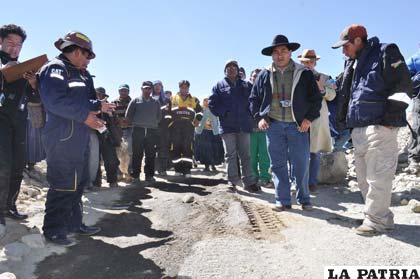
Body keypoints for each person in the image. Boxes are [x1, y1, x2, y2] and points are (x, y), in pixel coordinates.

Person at [332, 24, 412, 235]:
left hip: (380, 126)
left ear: (358, 40)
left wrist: (389, 119)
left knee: (378, 178)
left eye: (345, 45)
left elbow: (404, 88)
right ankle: (380, 217)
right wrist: (345, 122)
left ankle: (375, 220)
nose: (343, 51)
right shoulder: (353, 63)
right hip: (358, 128)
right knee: (363, 179)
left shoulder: (386, 52)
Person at [39, 31, 114, 246]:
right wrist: (85, 117)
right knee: (63, 183)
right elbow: (55, 102)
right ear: (78, 51)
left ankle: (73, 223)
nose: (89, 61)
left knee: (78, 183)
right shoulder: (55, 69)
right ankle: (53, 230)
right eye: (88, 56)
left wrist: (98, 108)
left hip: (79, 136)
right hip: (61, 137)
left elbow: (85, 101)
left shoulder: (81, 73)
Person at [250, 35, 322, 210]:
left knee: (301, 163)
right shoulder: (264, 75)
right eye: (275, 52)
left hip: (298, 126)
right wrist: (260, 117)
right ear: (272, 55)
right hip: (273, 125)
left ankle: (304, 199)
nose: (279, 55)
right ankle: (282, 200)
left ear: (290, 52)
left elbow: (315, 99)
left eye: (283, 51)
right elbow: (254, 99)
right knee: (277, 164)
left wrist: (308, 119)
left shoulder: (303, 73)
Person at [0, 24, 39, 236]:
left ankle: (10, 206)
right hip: (1, 120)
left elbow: (34, 99)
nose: (15, 49)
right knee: (2, 165)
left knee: (17, 165)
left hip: (20, 120)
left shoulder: (24, 67)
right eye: (10, 43)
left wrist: (33, 82)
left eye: (19, 45)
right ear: (1, 41)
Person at [209, 60, 259, 192]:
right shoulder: (218, 86)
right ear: (225, 71)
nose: (231, 69)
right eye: (228, 67)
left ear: (238, 70)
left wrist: (250, 115)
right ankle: (232, 181)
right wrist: (224, 113)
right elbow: (212, 104)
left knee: (246, 155)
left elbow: (253, 101)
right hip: (227, 127)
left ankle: (249, 182)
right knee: (230, 155)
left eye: (234, 67)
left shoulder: (246, 85)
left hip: (244, 126)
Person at [297, 49, 336, 192]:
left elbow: (332, 95)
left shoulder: (325, 77)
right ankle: (298, 181)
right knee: (298, 151)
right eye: (305, 62)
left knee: (315, 152)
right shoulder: (295, 76)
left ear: (315, 62)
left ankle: (312, 182)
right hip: (299, 118)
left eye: (311, 62)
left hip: (318, 119)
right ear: (301, 62)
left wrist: (322, 89)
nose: (308, 64)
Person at [126, 81, 161, 182]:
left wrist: (151, 123)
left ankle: (149, 175)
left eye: (149, 88)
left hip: (151, 131)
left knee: (150, 154)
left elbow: (159, 117)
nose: (147, 90)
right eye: (145, 88)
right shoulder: (135, 101)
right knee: (137, 154)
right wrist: (138, 123)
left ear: (151, 90)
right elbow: (128, 116)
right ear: (141, 89)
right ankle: (135, 176)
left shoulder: (155, 102)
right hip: (138, 130)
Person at [169, 80, 202, 177]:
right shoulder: (172, 98)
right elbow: (167, 112)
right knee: (176, 148)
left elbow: (200, 112)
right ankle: (177, 170)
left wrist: (197, 120)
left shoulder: (194, 99)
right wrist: (169, 124)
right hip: (175, 127)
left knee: (187, 148)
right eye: (182, 87)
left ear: (188, 88)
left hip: (188, 127)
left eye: (186, 87)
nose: (184, 89)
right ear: (179, 88)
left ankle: (187, 170)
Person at [249, 68, 273, 188]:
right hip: (250, 130)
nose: (256, 78)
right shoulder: (246, 92)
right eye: (254, 76)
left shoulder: (267, 91)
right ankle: (253, 178)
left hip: (265, 130)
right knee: (251, 156)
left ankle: (265, 178)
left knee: (265, 155)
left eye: (258, 76)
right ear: (250, 78)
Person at [93, 87, 120, 188]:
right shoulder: (91, 105)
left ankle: (113, 180)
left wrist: (111, 116)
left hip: (107, 136)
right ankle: (96, 182)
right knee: (94, 160)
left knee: (111, 160)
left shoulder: (109, 106)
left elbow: (115, 122)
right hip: (94, 135)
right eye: (97, 94)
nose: (100, 96)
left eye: (101, 95)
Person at [194, 97, 224, 172]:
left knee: (214, 149)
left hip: (213, 132)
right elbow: (196, 121)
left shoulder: (214, 110)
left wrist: (219, 131)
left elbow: (218, 120)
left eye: (208, 101)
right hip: (203, 132)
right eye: (205, 101)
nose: (206, 102)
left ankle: (213, 165)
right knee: (205, 150)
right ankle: (206, 166)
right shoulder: (200, 111)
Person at [112, 84, 132, 180]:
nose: (123, 92)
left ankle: (128, 173)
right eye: (121, 90)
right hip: (118, 131)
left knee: (129, 152)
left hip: (130, 130)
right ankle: (118, 173)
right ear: (118, 91)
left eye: (125, 90)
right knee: (117, 153)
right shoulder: (114, 102)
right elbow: (111, 116)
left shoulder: (132, 102)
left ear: (128, 91)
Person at [405, 48, 420, 174]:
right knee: (417, 126)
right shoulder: (415, 58)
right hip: (419, 98)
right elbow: (404, 76)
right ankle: (414, 159)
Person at [153, 81, 171, 175]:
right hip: (151, 128)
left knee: (163, 149)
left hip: (163, 128)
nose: (157, 87)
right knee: (151, 150)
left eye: (159, 85)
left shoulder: (167, 100)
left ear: (162, 87)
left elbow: (170, 115)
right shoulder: (149, 98)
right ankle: (152, 169)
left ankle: (162, 169)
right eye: (155, 85)